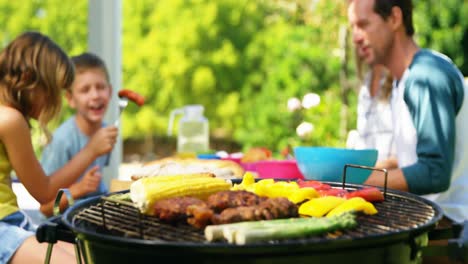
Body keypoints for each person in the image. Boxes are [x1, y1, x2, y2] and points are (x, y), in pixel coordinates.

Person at [348, 0, 467, 225]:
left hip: (446, 231)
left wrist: (360, 186)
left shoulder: (426, 76)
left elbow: (434, 172)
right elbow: (409, 161)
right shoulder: (402, 81)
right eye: (353, 27)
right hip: (424, 220)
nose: (356, 37)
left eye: (363, 24)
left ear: (394, 19)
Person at [0, 31, 85, 263]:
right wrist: (92, 151)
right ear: (28, 78)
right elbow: (45, 192)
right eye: (52, 91)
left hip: (10, 220)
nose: (54, 102)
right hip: (2, 229)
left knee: (87, 256)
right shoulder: (10, 120)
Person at [39, 52, 118, 217]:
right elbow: (45, 208)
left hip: (91, 217)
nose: (95, 95)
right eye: (85, 90)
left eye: (101, 87)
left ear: (110, 92)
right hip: (61, 227)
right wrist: (79, 189)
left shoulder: (105, 131)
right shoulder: (61, 141)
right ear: (70, 98)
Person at [347, 59, 398, 169]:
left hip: (391, 180)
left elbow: (409, 158)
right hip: (367, 178)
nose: (358, 41)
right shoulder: (366, 84)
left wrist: (361, 171)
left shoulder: (401, 82)